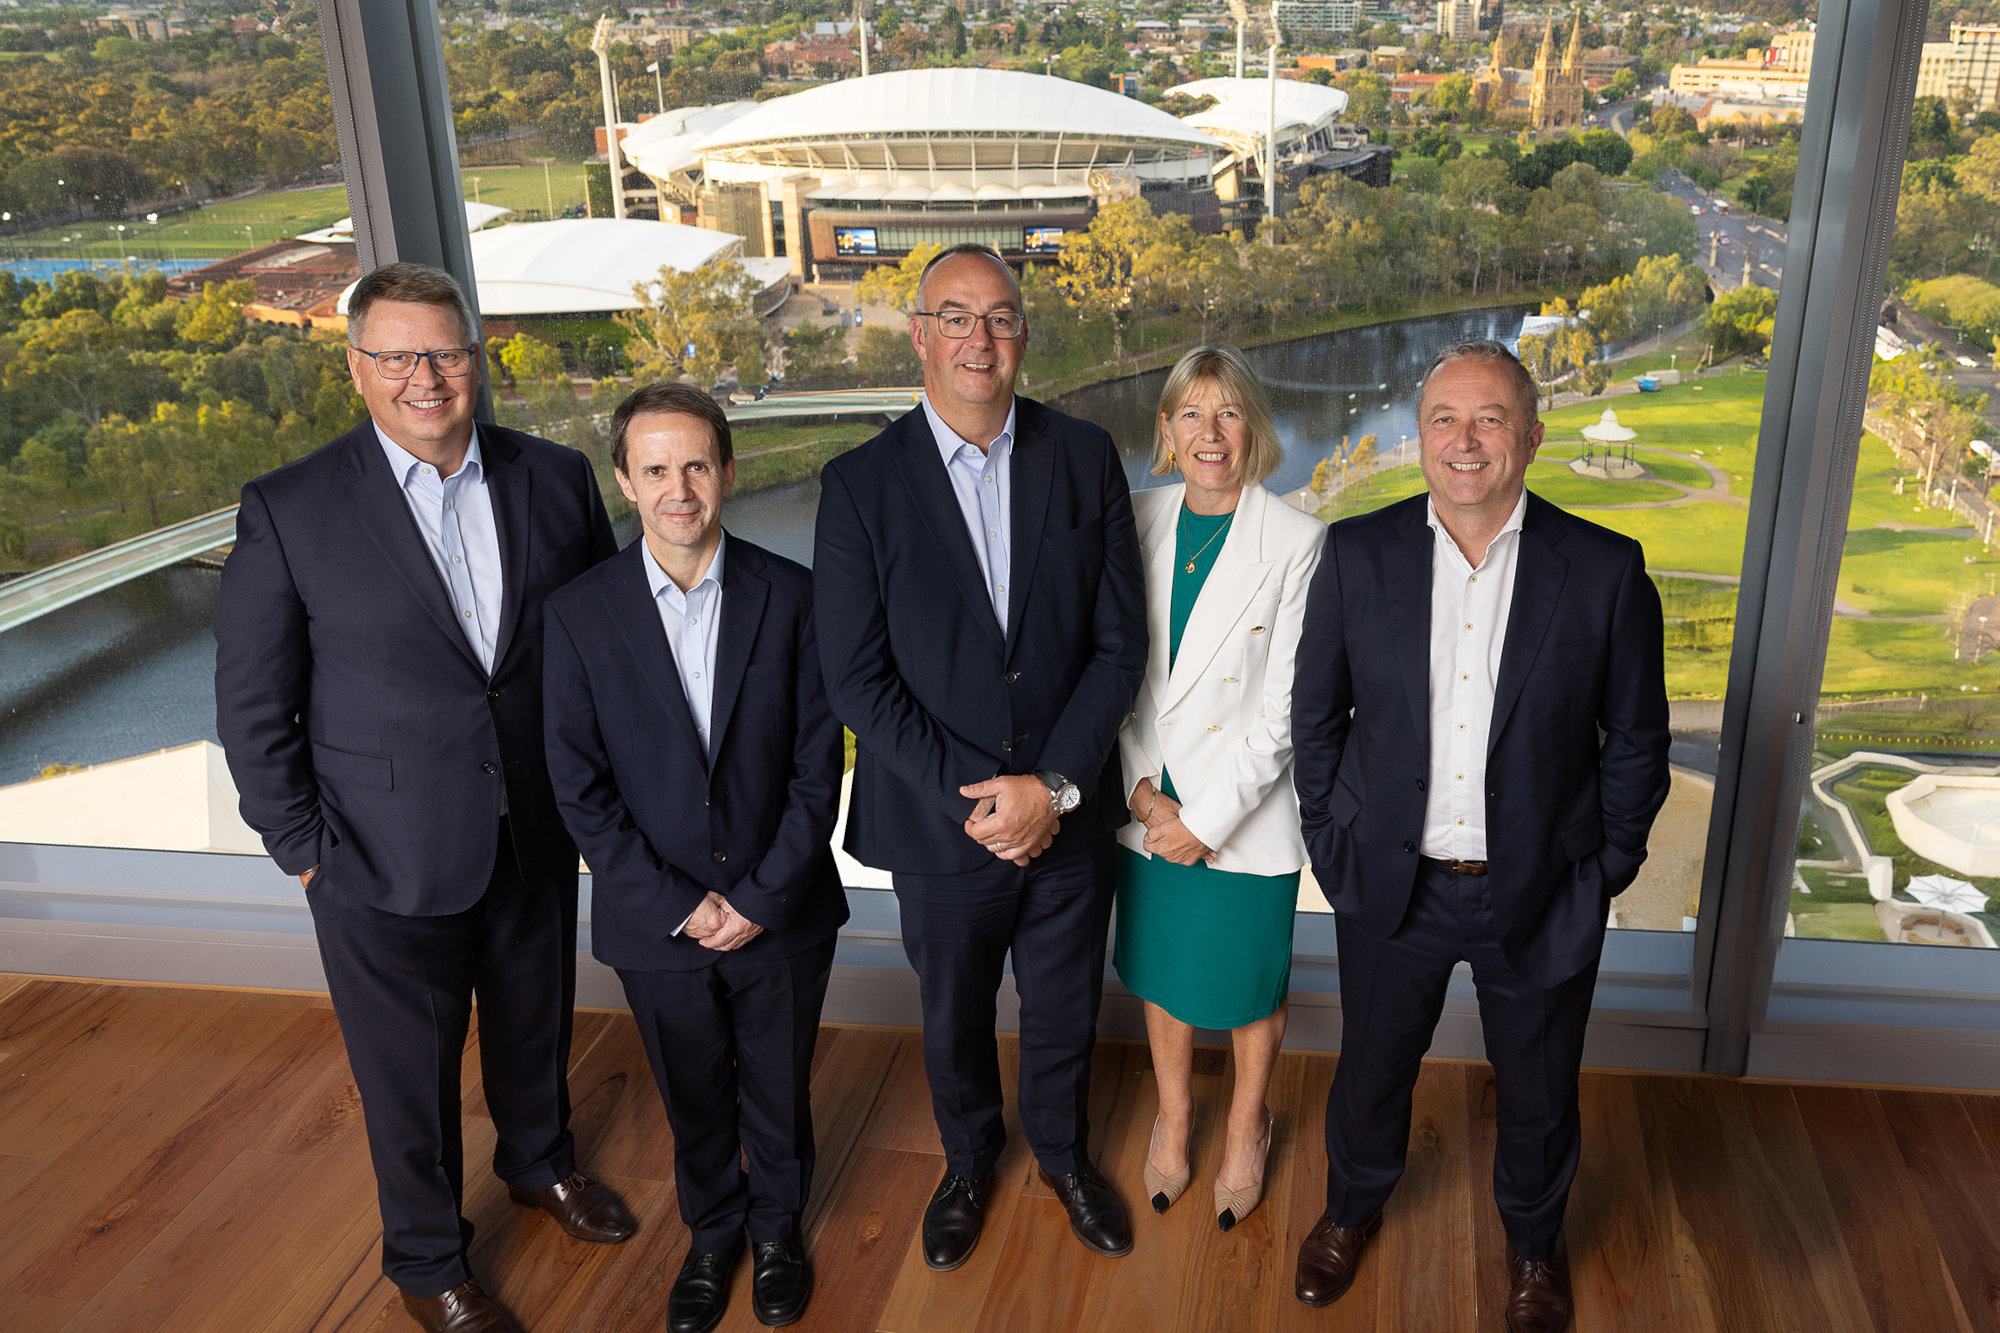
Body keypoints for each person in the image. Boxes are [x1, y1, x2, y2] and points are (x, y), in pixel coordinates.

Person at [214, 262, 632, 1333]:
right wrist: (305, 848)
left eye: (443, 351)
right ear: (358, 370)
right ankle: (425, 1259)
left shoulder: (552, 479)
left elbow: (591, 650)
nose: (424, 376)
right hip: (375, 855)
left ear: (475, 358)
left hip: (531, 828)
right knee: (408, 1077)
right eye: (396, 355)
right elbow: (255, 706)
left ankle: (540, 1165)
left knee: (535, 1024)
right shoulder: (291, 509)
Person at [1289, 339, 1670, 1332]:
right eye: (1443, 420)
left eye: (1489, 418)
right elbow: (1314, 717)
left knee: (1539, 1095)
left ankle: (1533, 1252)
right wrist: (1336, 842)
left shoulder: (1601, 571)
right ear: (1416, 437)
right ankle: (1348, 1210)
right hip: (1390, 887)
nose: (1464, 442)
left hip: (1538, 892)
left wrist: (1602, 868)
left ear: (1530, 437)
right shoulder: (1355, 552)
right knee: (1369, 1074)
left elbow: (1635, 742)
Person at [813, 243, 1147, 1270]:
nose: (977, 337)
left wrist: (1049, 788)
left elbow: (1116, 642)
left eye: (998, 317)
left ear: (1021, 336)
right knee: (952, 1016)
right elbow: (856, 677)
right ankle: (966, 1161)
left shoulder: (1082, 456)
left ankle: (1061, 1154)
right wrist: (980, 802)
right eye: (954, 316)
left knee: (1061, 1006)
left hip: (1065, 812)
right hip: (939, 820)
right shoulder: (859, 485)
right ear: (918, 333)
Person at [542, 383, 848, 1333]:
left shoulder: (793, 596)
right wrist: (686, 905)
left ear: (727, 470)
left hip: (781, 907)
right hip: (656, 920)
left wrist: (757, 896)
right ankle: (713, 1233)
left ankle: (778, 1229)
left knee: (778, 1083)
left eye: (697, 465)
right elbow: (580, 789)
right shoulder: (578, 613)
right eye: (657, 468)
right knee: (693, 1090)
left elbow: (815, 767)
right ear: (627, 482)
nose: (680, 488)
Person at [1113, 345, 1324, 1232]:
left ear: (1255, 431)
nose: (1210, 433)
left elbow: (1284, 712)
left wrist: (1202, 820)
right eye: (1191, 414)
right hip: (1148, 811)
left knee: (1247, 989)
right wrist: (1145, 800)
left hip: (1243, 820)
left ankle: (1246, 1125)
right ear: (1165, 430)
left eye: (1229, 413)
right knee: (1162, 976)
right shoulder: (1132, 518)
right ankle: (1174, 1115)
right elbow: (1114, 673)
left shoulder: (1300, 541)